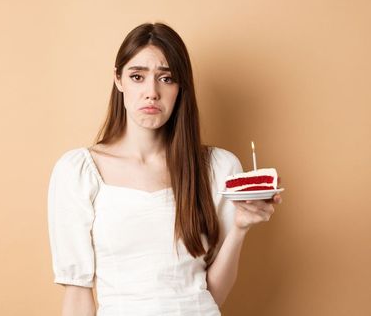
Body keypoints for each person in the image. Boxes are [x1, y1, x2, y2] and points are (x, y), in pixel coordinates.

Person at [47, 22, 283, 316]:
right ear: (118, 79)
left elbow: (213, 294)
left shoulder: (218, 168)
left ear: (181, 86)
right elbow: (77, 293)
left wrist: (239, 228)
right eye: (137, 76)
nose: (152, 92)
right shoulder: (79, 172)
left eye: (166, 78)